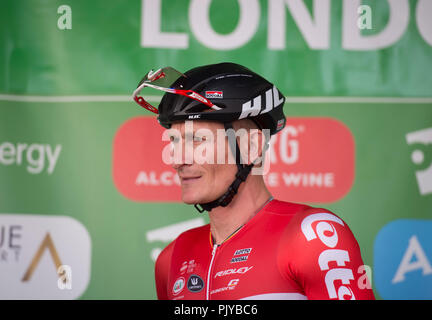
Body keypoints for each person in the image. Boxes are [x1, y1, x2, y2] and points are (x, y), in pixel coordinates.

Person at [133, 62, 375, 300]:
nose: (176, 159)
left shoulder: (314, 236)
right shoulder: (172, 257)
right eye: (175, 141)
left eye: (197, 140)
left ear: (250, 146)